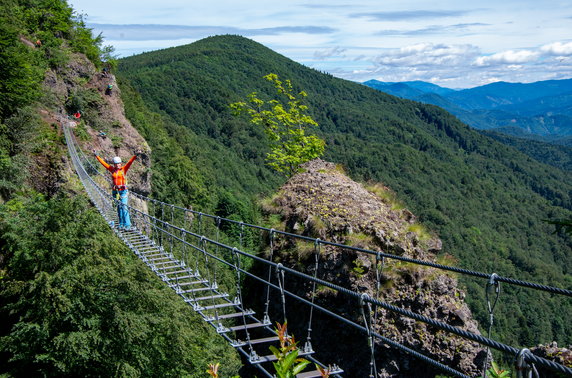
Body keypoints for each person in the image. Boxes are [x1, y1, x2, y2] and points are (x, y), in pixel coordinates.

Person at [93, 150, 137, 229]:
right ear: (114, 164)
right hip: (115, 191)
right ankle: (121, 224)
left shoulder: (124, 169)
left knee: (124, 207)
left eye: (119, 163)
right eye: (116, 164)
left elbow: (130, 162)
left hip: (123, 191)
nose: (118, 165)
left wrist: (135, 155)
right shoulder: (112, 170)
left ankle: (127, 225)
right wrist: (97, 156)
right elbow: (104, 164)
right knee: (119, 208)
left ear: (121, 164)